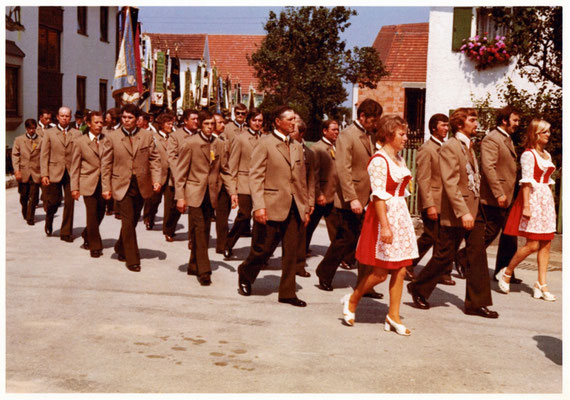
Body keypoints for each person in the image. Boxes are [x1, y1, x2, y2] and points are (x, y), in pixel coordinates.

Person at [407, 108, 499, 318]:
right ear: (460, 124)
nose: (476, 124)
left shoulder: (468, 146)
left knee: (477, 256)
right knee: (444, 255)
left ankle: (477, 303)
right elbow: (449, 183)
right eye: (472, 120)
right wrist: (463, 212)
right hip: (458, 212)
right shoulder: (450, 147)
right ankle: (419, 287)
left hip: (474, 210)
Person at [342, 115, 418, 335]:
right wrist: (385, 226)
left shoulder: (399, 159)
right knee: (381, 272)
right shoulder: (379, 160)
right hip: (383, 216)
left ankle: (393, 315)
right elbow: (378, 196)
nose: (405, 138)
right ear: (387, 135)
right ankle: (352, 300)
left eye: (405, 133)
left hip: (399, 214)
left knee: (402, 269)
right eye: (401, 134)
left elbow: (400, 191)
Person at [237, 105, 310, 307]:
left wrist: (305, 206)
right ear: (278, 121)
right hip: (271, 205)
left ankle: (287, 292)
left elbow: (301, 179)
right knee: (263, 249)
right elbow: (256, 176)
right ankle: (246, 272)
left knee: (291, 250)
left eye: (295, 119)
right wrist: (258, 206)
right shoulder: (265, 143)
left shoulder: (296, 145)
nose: (294, 123)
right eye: (290, 119)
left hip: (294, 206)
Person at [315, 98, 383, 300]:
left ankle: (365, 284)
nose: (375, 123)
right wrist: (352, 198)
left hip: (368, 197)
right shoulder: (347, 136)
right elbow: (342, 169)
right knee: (346, 240)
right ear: (362, 117)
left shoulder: (370, 136)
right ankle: (325, 272)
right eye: (373, 119)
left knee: (365, 241)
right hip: (350, 200)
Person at [174, 110, 237, 285]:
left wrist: (232, 192)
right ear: (200, 125)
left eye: (212, 124)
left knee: (204, 231)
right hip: (194, 194)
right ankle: (204, 270)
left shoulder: (219, 144)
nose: (210, 127)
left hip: (211, 194)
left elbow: (225, 170)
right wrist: (180, 197)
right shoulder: (190, 143)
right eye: (206, 124)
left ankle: (194, 264)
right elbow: (180, 173)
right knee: (200, 231)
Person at [499, 119, 557, 301]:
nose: (548, 134)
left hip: (545, 199)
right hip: (533, 198)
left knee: (546, 243)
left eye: (548, 131)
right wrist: (526, 206)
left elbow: (547, 181)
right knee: (532, 244)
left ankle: (541, 283)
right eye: (544, 132)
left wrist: (550, 204)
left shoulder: (546, 155)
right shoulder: (528, 155)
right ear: (535, 134)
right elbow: (526, 183)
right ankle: (506, 272)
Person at [101, 104, 162, 272]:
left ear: (137, 120)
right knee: (127, 221)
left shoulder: (147, 136)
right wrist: (106, 187)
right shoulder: (112, 137)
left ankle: (121, 246)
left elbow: (154, 159)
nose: (126, 121)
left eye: (130, 118)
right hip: (121, 184)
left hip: (141, 184)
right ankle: (132, 258)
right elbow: (105, 164)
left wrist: (156, 180)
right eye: (124, 117)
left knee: (134, 220)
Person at [409, 113, 455, 285]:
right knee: (430, 237)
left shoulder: (446, 147)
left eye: (447, 125)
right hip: (432, 202)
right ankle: (408, 264)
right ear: (434, 128)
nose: (446, 128)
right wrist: (429, 205)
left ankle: (441, 272)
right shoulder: (427, 149)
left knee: (444, 239)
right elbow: (423, 179)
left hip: (445, 202)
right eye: (443, 125)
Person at [224, 108, 264, 259]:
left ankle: (257, 252)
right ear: (248, 121)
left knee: (260, 219)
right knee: (244, 215)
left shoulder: (265, 139)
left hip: (261, 184)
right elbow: (232, 165)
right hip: (244, 183)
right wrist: (232, 190)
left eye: (260, 121)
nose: (257, 123)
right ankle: (228, 243)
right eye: (254, 120)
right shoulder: (240, 138)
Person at [40, 106, 82, 240]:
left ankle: (66, 232)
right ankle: (49, 218)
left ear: (71, 118)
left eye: (67, 116)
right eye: (62, 116)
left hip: (71, 172)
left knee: (70, 203)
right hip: (54, 171)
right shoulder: (49, 133)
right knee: (54, 201)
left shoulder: (77, 133)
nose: (65, 118)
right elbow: (44, 155)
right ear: (58, 117)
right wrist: (44, 174)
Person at [70, 111, 107, 258]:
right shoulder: (80, 142)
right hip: (87, 182)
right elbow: (75, 166)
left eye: (101, 122)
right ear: (89, 124)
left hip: (104, 183)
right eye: (96, 122)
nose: (99, 125)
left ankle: (87, 233)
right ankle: (95, 245)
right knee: (91, 214)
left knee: (101, 212)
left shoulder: (107, 140)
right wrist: (74, 188)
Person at [167, 108, 199, 249]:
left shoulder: (200, 135)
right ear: (185, 121)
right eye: (193, 119)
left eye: (198, 119)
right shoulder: (175, 136)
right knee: (176, 207)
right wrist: (178, 174)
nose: (196, 122)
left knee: (194, 209)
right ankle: (169, 229)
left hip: (195, 178)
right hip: (178, 176)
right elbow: (171, 157)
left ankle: (193, 238)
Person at [305, 119, 340, 253]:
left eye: (337, 129)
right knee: (310, 226)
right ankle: (300, 252)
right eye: (333, 129)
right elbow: (314, 174)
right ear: (325, 131)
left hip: (333, 195)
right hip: (320, 196)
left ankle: (338, 256)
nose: (336, 132)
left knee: (336, 228)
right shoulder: (317, 148)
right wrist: (318, 194)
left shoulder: (336, 147)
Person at [142, 112, 176, 241]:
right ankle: (149, 217)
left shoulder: (173, 137)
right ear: (161, 125)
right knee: (154, 200)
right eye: (168, 123)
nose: (171, 126)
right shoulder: (153, 137)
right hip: (158, 173)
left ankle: (168, 230)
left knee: (170, 202)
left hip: (171, 174)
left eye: (172, 123)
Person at [290, 115, 315, 278]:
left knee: (300, 233)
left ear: (301, 134)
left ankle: (298, 265)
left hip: (300, 198)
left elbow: (311, 179)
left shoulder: (309, 153)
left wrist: (310, 201)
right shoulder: (283, 146)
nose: (290, 132)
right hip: (282, 196)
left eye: (294, 130)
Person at [12, 119, 42, 225]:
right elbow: (15, 156)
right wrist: (17, 171)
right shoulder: (19, 140)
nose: (31, 131)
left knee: (34, 196)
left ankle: (30, 217)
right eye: (29, 129)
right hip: (23, 172)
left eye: (33, 128)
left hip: (36, 172)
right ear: (26, 128)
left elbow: (44, 156)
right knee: (24, 196)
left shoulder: (41, 140)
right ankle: (25, 211)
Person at [212, 112, 233, 254]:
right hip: (211, 183)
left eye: (223, 122)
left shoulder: (224, 140)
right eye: (219, 122)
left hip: (224, 182)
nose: (223, 125)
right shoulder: (210, 142)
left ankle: (222, 244)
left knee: (222, 216)